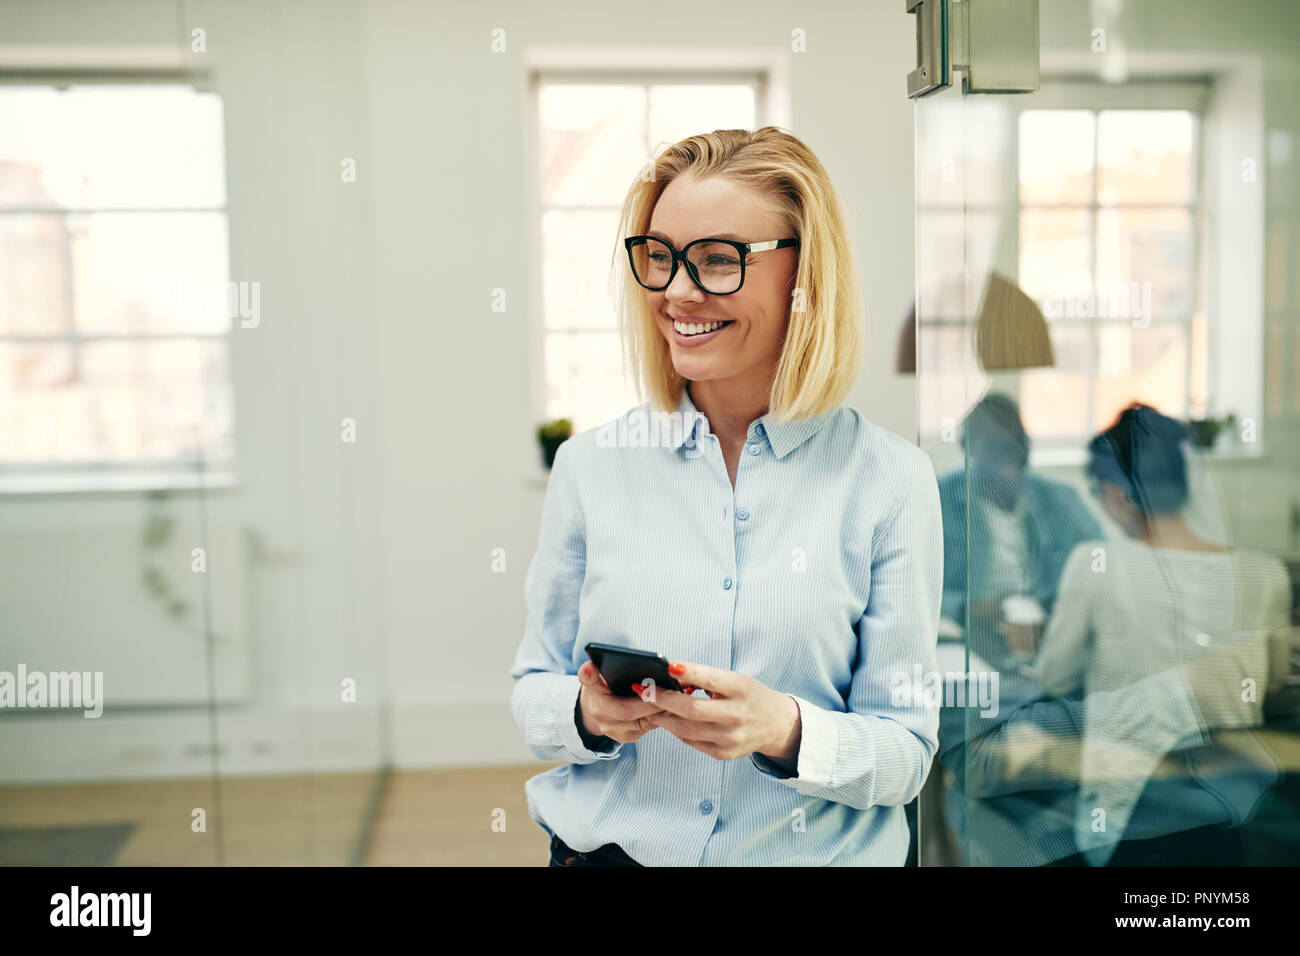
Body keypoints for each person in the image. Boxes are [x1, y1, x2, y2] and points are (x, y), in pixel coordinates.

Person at [508, 127, 944, 866]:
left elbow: (906, 752)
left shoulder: (890, 481)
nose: (678, 291)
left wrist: (785, 729)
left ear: (805, 276)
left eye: (716, 259)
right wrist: (586, 712)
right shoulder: (589, 468)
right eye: (661, 256)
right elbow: (533, 690)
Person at [1034, 402, 1293, 864]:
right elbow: (1269, 691)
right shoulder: (1265, 574)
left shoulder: (1097, 565)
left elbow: (1055, 680)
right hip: (1237, 821)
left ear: (1116, 494)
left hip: (1128, 822)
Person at [937, 394, 1102, 665]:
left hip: (1050, 638)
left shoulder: (1061, 499)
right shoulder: (939, 500)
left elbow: (1101, 568)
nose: (1010, 451)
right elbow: (910, 586)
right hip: (969, 641)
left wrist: (1058, 609)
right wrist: (966, 607)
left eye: (1018, 440)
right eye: (995, 443)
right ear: (969, 448)